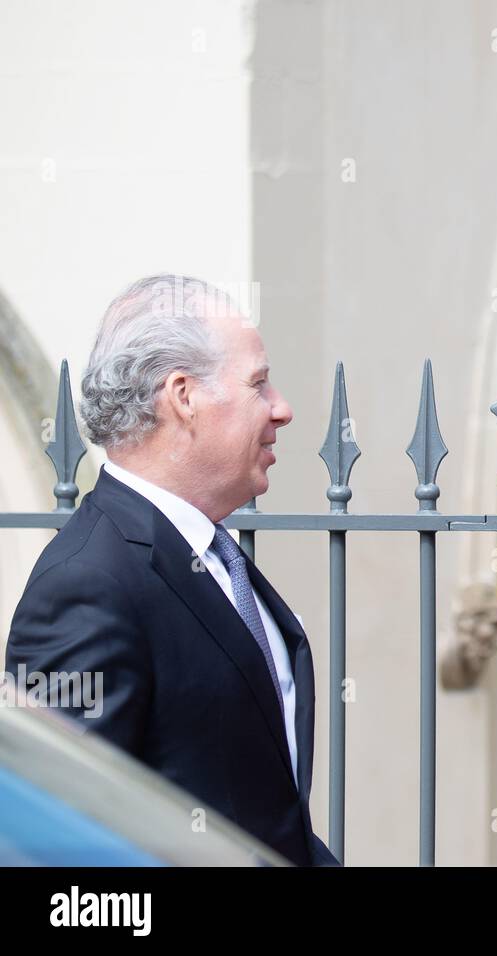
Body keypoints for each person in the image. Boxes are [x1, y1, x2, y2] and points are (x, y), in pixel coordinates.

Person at [4, 274, 336, 866]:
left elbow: (262, 811)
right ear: (183, 396)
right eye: (259, 384)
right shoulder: (87, 587)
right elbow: (62, 845)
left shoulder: (213, 556)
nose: (281, 409)